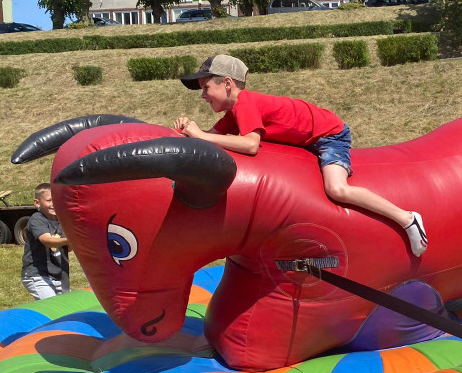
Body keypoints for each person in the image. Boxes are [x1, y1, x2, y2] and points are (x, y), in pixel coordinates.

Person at [173, 55, 427, 257]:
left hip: (329, 135)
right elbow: (206, 138)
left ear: (227, 83)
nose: (203, 96)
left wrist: (201, 136)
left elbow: (250, 145)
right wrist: (186, 130)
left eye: (206, 88)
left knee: (337, 190)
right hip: (308, 140)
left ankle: (407, 219)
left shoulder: (246, 103)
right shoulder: (233, 114)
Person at [20, 183, 70, 300]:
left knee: (67, 307)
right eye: (49, 201)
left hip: (59, 274)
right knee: (52, 306)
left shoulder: (62, 221)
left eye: (57, 200)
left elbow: (69, 248)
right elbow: (47, 240)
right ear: (37, 203)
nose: (53, 204)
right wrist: (70, 239)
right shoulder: (37, 219)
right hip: (37, 274)